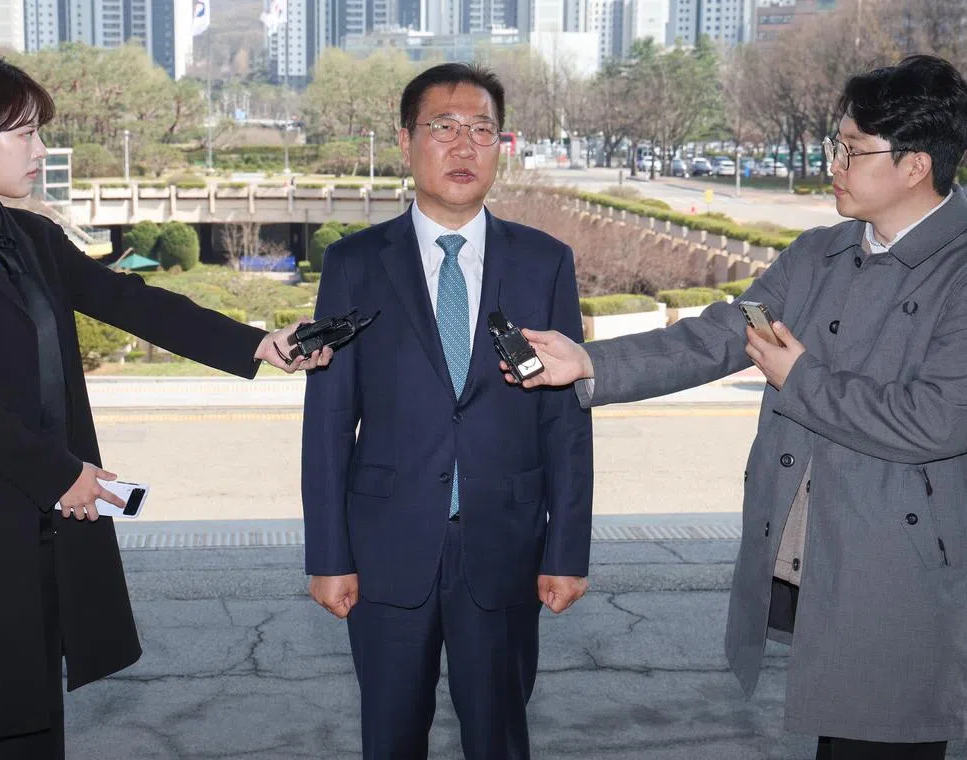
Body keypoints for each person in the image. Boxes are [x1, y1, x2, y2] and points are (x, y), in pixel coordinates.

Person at [0, 50, 330, 759]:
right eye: (23, 135)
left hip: (40, 514)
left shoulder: (31, 237)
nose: (41, 150)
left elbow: (132, 302)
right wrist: (63, 473)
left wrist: (258, 344)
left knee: (32, 712)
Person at [508, 54, 967, 760]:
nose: (834, 163)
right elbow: (723, 333)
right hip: (815, 544)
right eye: (834, 145)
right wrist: (591, 361)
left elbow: (936, 420)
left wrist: (801, 378)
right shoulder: (819, 253)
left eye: (851, 149)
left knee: (888, 735)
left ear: (915, 166)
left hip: (902, 563)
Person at [301, 63, 593, 759]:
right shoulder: (355, 262)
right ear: (406, 142)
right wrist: (328, 555)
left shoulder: (544, 262)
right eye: (443, 128)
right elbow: (329, 422)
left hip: (504, 549)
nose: (464, 146)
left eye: (482, 130)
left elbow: (567, 422)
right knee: (391, 738)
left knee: (499, 738)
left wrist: (567, 550)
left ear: (502, 145)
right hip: (386, 550)